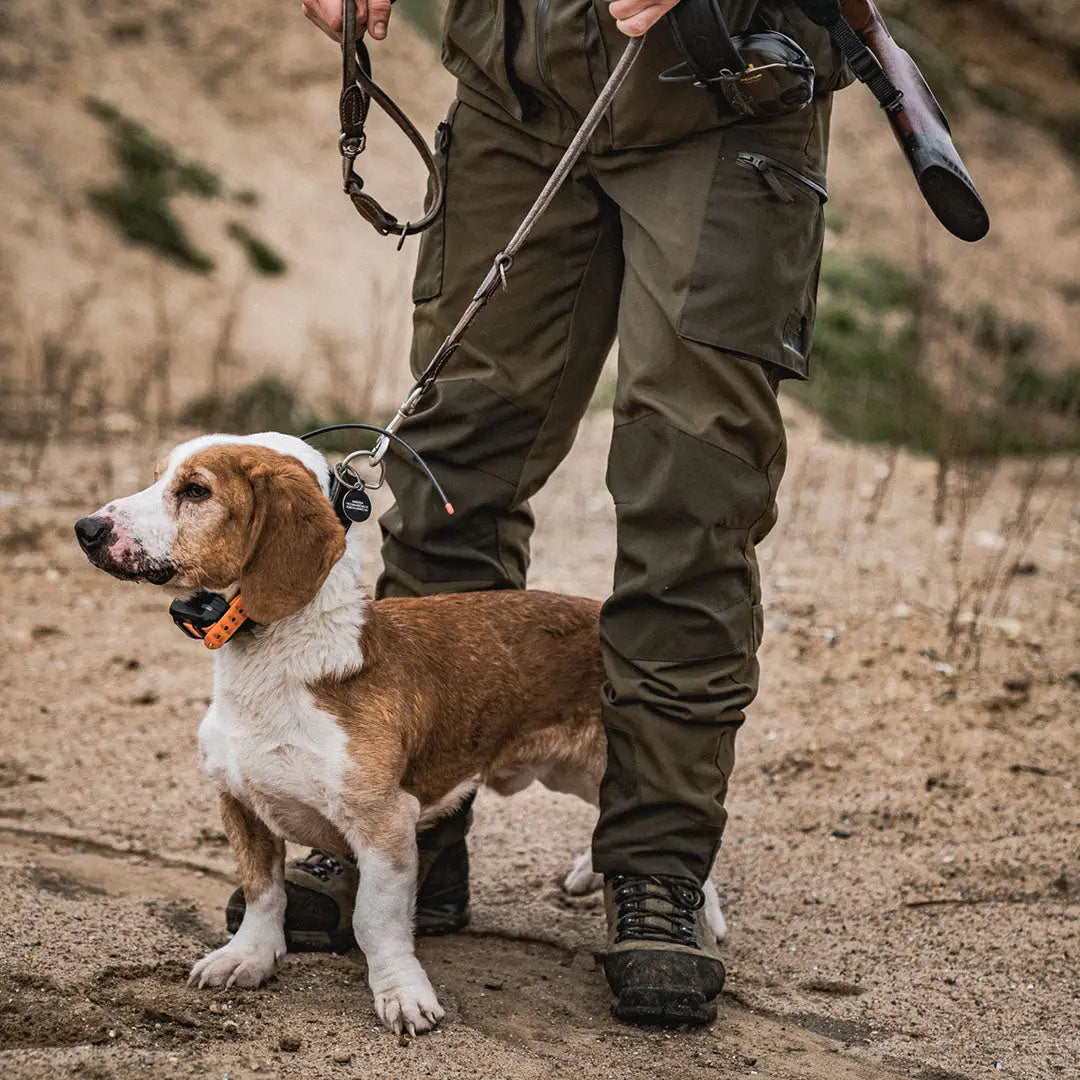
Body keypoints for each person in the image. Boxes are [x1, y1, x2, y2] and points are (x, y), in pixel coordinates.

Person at [228, 0, 851, 1026]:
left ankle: (656, 862)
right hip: (518, 91)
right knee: (449, 468)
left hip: (726, 94)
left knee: (690, 497)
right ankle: (402, 831)